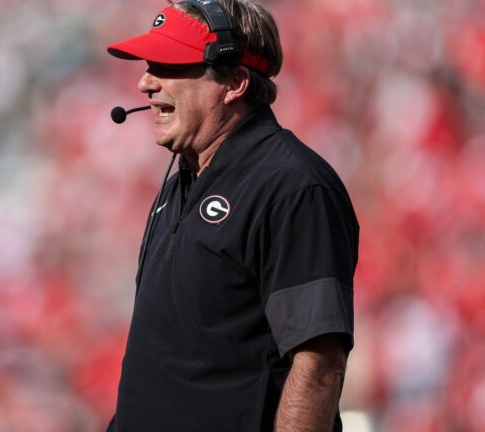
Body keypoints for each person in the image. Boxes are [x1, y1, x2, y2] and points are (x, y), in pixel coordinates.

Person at [104, 0, 359, 431]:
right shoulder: (178, 185)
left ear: (235, 83)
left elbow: (319, 366)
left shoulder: (293, 187)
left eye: (169, 66)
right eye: (150, 66)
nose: (145, 83)